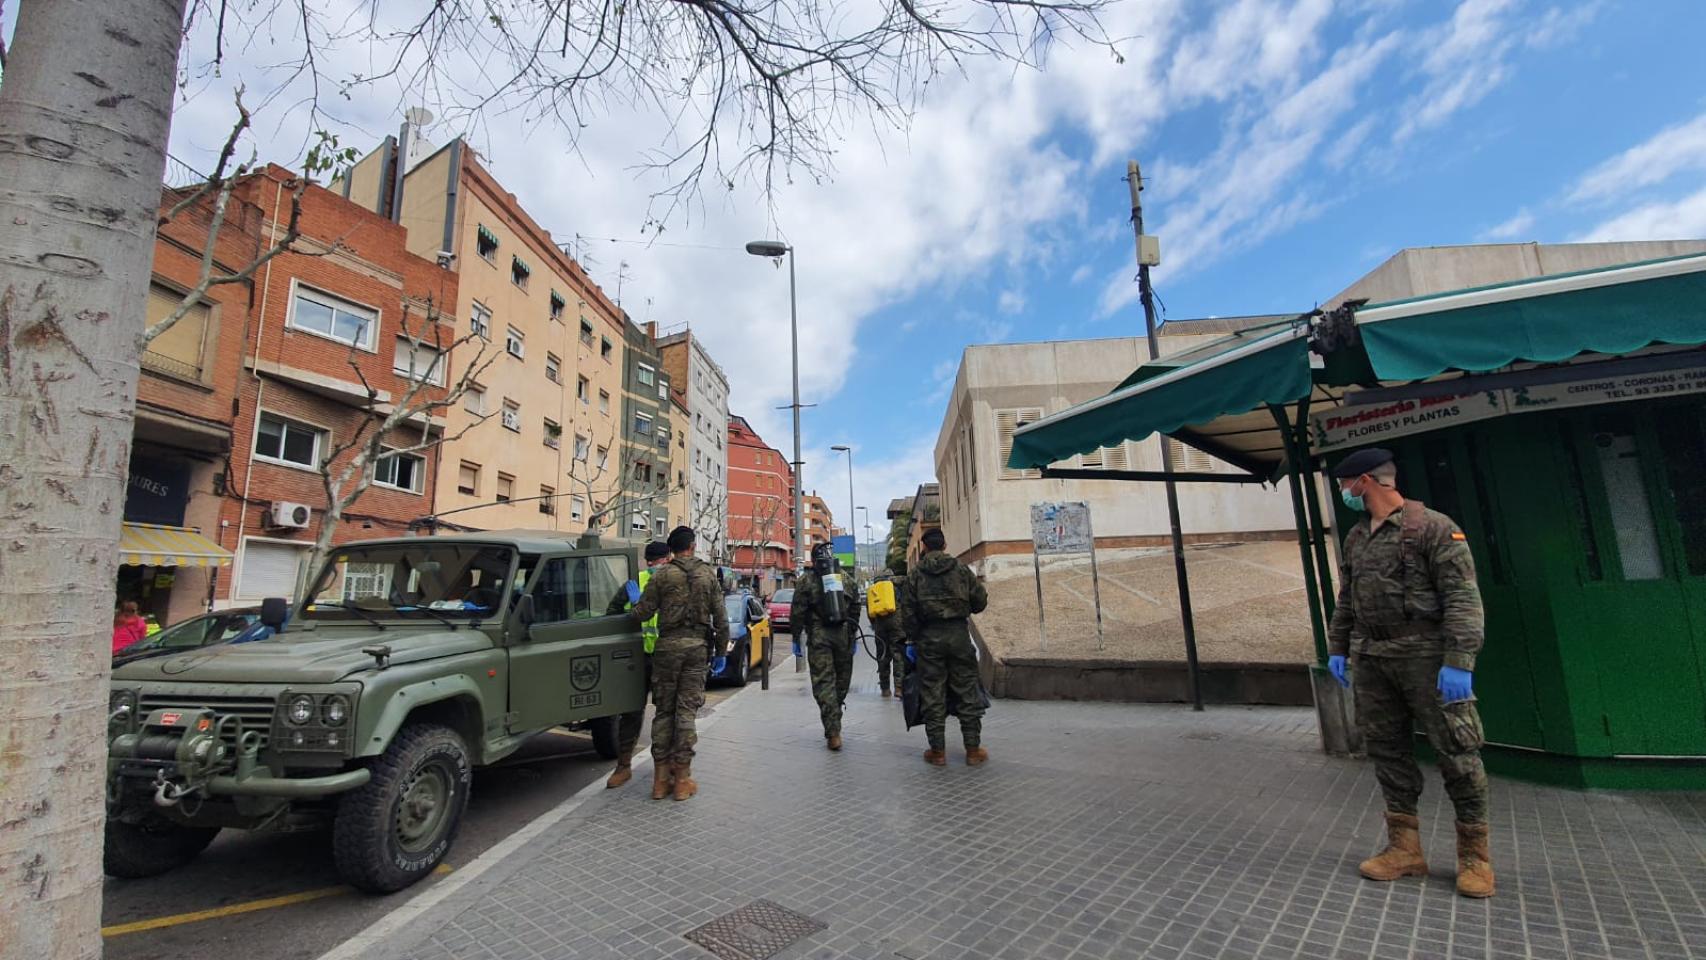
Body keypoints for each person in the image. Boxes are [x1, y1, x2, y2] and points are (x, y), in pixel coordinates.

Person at [1325, 447, 1494, 899]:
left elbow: (1463, 598)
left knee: (1458, 753)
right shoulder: (1358, 537)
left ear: (1365, 482)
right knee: (1387, 752)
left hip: (1426, 656)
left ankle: (1475, 857)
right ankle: (1405, 849)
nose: (1343, 492)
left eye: (1346, 484)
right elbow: (1347, 599)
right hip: (1373, 658)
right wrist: (1338, 647)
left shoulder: (1434, 528)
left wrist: (1460, 662)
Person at [628, 526, 729, 802]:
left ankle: (660, 781)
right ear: (693, 546)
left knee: (664, 711)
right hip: (697, 649)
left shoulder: (662, 575)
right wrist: (721, 651)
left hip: (666, 649)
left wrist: (635, 603)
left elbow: (642, 613)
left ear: (671, 549)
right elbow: (721, 618)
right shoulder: (707, 574)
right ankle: (682, 780)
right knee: (686, 713)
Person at [900, 528, 989, 766]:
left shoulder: (916, 574)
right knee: (967, 691)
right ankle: (972, 750)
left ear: (925, 547)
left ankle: (937, 752)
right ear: (945, 545)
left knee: (932, 694)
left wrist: (914, 638)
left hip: (928, 640)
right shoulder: (961, 569)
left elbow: (907, 613)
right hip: (958, 636)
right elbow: (980, 602)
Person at [603, 540, 671, 789]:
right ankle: (625, 766)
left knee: (657, 714)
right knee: (638, 712)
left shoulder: (670, 583)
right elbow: (612, 615)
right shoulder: (637, 583)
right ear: (665, 558)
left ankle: (659, 771)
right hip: (640, 657)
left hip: (662, 656)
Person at [792, 542, 860, 751]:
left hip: (819, 636)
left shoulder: (805, 581)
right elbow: (856, 605)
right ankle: (835, 719)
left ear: (813, 561)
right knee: (841, 681)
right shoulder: (845, 580)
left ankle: (833, 732)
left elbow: (797, 612)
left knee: (824, 684)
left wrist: (796, 637)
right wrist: (852, 633)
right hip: (843, 635)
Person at [868, 568, 907, 698]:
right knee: (898, 656)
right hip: (897, 624)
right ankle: (899, 688)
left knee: (883, 656)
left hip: (880, 626)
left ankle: (885, 689)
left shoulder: (874, 589)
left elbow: (870, 612)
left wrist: (875, 625)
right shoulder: (896, 585)